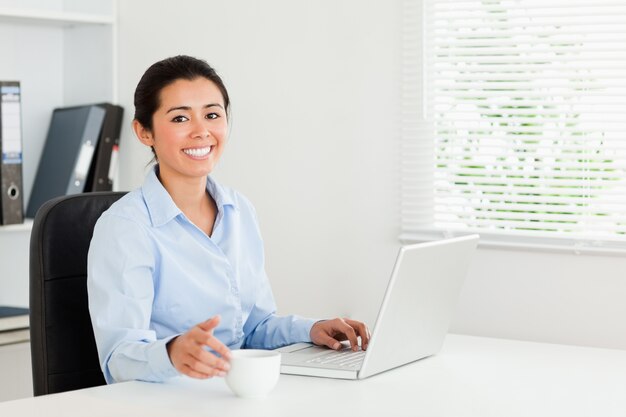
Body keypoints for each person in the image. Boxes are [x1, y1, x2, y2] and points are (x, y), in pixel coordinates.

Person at [87, 55, 370, 384]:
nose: (201, 131)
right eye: (180, 118)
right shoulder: (125, 228)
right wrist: (172, 353)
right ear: (144, 132)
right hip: (168, 399)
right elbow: (119, 358)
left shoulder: (239, 210)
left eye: (212, 115)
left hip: (234, 390)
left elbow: (252, 328)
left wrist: (311, 329)